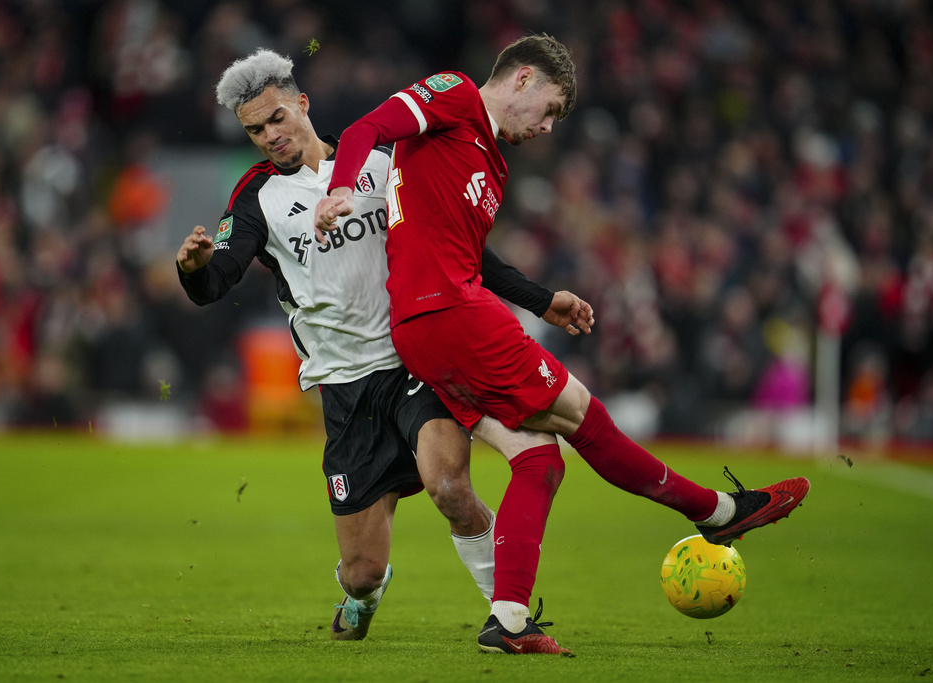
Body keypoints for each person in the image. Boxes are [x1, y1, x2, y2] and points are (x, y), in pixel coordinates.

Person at [314, 33, 811, 655]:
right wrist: (341, 186)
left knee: (539, 457)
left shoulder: (488, 165)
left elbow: (472, 256)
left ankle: (510, 621)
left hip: (431, 326)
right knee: (584, 414)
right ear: (522, 79)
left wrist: (542, 299)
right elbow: (370, 126)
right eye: (550, 109)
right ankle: (716, 511)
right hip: (451, 315)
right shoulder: (456, 95)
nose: (548, 127)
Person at [175, 48, 591, 643]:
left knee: (450, 486)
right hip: (345, 386)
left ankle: (511, 618)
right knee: (362, 571)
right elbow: (216, 283)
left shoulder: (378, 156)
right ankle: (362, 596)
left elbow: (458, 246)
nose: (270, 135)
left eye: (277, 119)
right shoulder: (255, 199)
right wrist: (194, 268)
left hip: (411, 362)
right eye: (255, 129)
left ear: (303, 104)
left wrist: (539, 297)